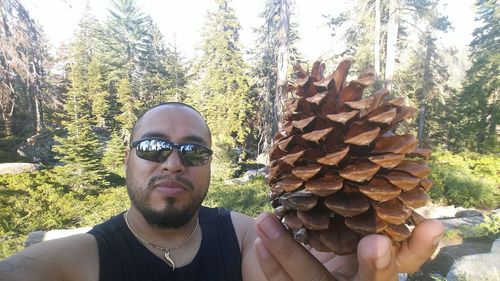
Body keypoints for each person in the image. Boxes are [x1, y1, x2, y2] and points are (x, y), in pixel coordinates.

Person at [0, 102, 444, 281]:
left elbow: (279, 260)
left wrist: (343, 247)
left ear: (210, 164)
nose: (173, 162)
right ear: (126, 158)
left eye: (193, 151)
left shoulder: (246, 235)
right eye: (154, 146)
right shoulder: (77, 260)